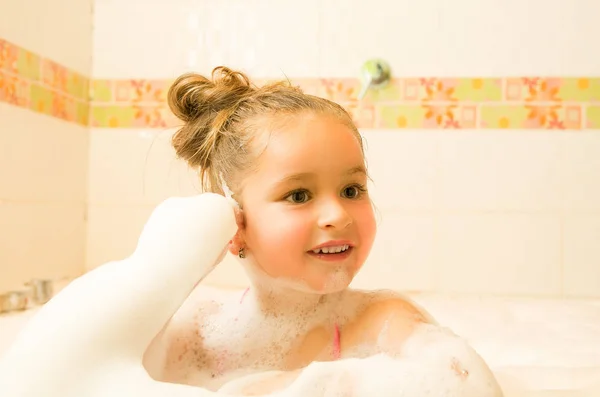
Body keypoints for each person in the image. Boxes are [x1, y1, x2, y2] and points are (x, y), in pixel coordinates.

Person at [142, 67, 504, 396]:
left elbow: (466, 383)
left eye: (351, 190)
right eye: (299, 195)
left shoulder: (380, 322)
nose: (337, 214)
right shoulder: (197, 330)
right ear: (234, 225)